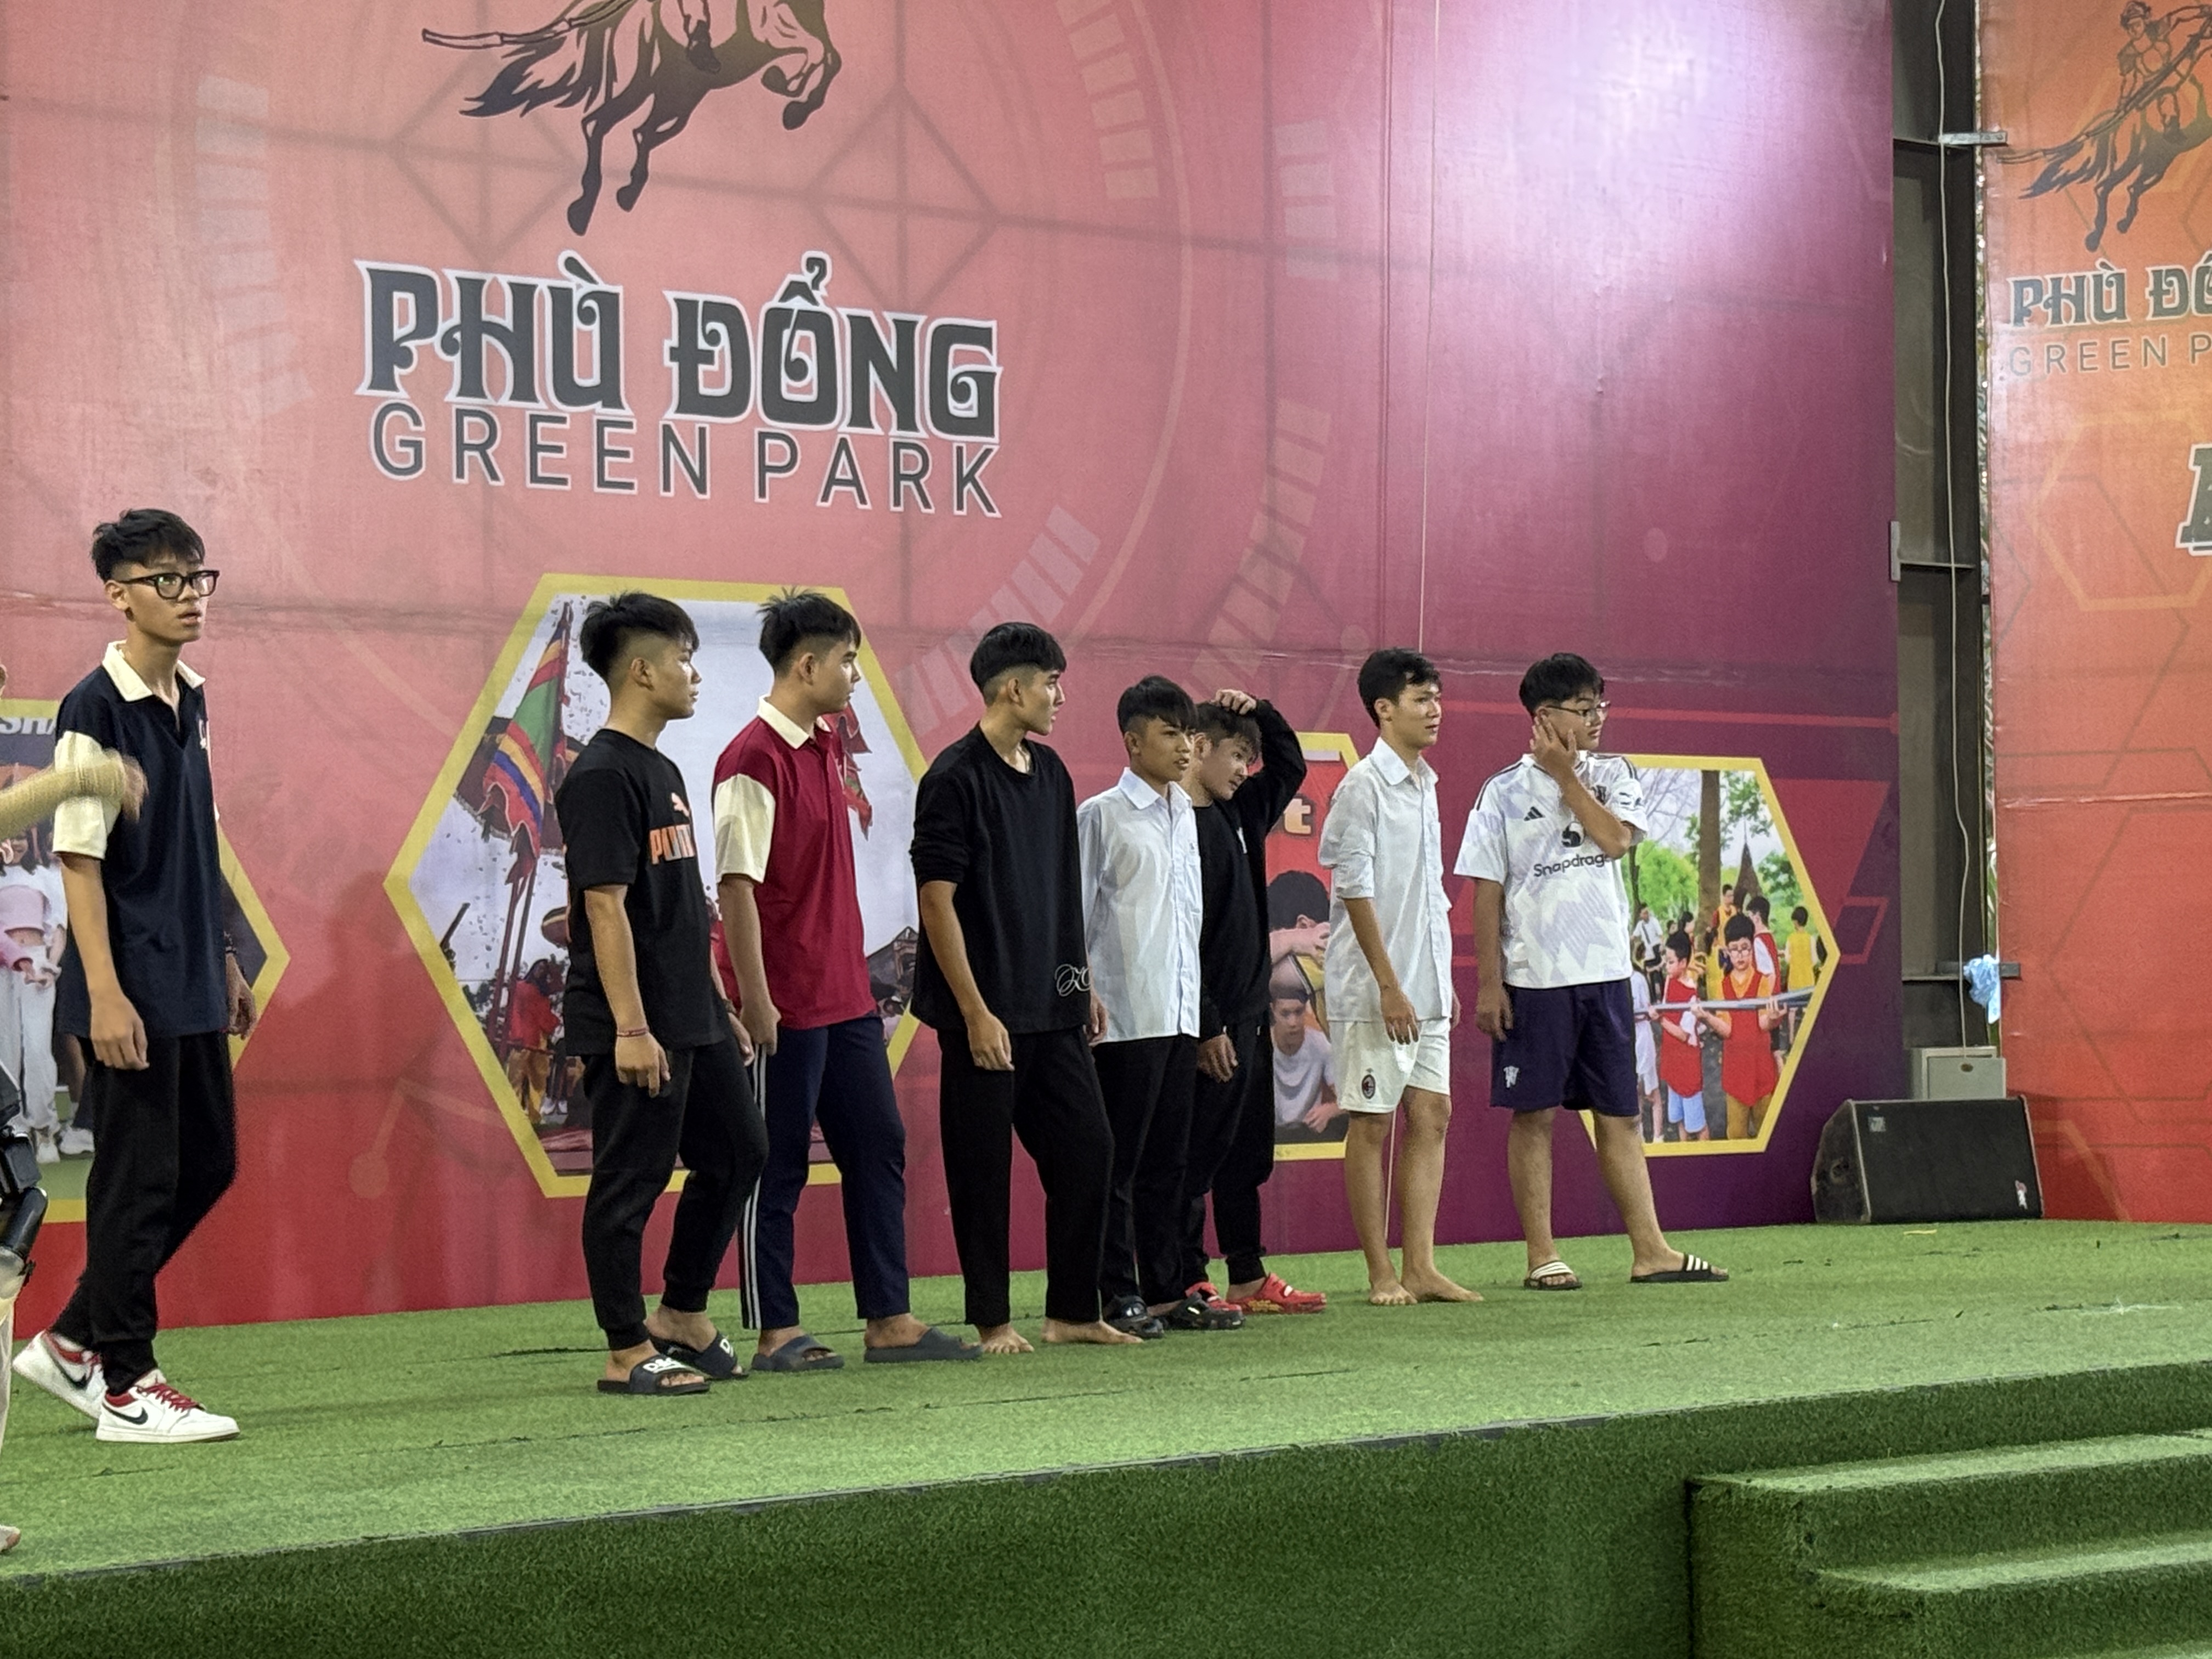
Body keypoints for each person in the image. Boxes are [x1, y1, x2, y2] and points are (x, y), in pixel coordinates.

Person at [10, 511, 257, 1443]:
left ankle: (75, 1339)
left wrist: (225, 951)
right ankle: (126, 1385)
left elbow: (201, 839)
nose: (189, 595)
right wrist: (105, 995)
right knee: (137, 1181)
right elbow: (79, 861)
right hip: (131, 983)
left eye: (197, 576)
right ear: (118, 593)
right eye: (165, 579)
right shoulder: (93, 708)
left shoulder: (193, 697)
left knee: (209, 1163)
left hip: (191, 972)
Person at [712, 590, 975, 1370]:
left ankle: (889, 1318)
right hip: (786, 1003)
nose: (856, 675)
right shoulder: (750, 760)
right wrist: (757, 1000)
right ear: (806, 665)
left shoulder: (826, 746)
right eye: (848, 661)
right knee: (777, 1164)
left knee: (878, 1145)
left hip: (847, 997)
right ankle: (776, 1331)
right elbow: (735, 889)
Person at [555, 592, 768, 1397]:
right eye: (684, 658)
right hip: (636, 1022)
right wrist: (631, 1028)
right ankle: (624, 1350)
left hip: (694, 1016)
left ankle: (680, 1313)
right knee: (630, 1182)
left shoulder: (663, 768)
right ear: (642, 671)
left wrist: (719, 1005)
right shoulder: (601, 776)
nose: (694, 674)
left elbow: (683, 906)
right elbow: (603, 908)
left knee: (740, 1152)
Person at [1462, 653, 1726, 1290]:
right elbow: (1486, 893)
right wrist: (1490, 983)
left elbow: (1615, 840)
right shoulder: (1501, 792)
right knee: (1535, 1117)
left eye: (1600, 706)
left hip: (1606, 976)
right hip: (1533, 980)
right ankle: (1542, 1256)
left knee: (1622, 1115)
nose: (1598, 718)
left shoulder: (1614, 773)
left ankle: (1651, 1250)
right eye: (1583, 710)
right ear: (1543, 716)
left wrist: (1567, 777)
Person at [910, 622, 1137, 1354]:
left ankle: (1072, 1312)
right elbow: (935, 901)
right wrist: (975, 1013)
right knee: (983, 1176)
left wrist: (1081, 983)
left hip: (1054, 1010)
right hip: (985, 1018)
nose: (1060, 697)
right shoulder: (953, 779)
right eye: (1051, 683)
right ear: (1013, 689)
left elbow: (1063, 889)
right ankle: (992, 1321)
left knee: (1090, 1151)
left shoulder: (1053, 773)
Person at [1079, 676, 1238, 1335]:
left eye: (1190, 735)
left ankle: (1169, 1290)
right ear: (1133, 741)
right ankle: (1118, 1292)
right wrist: (1083, 990)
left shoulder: (1187, 818)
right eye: (1170, 734)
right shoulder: (1101, 815)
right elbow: (1075, 914)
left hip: (1177, 1014)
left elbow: (1189, 923)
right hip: (1122, 1016)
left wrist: (1199, 1014)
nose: (1184, 748)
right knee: (1119, 1163)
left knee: (1170, 1162)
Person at [1318, 648, 1476, 1307]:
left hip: (1424, 987)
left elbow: (1428, 892)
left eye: (1437, 697)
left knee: (1433, 1114)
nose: (1435, 710)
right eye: (1421, 699)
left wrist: (1440, 979)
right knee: (1373, 1123)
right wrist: (1388, 985)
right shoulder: (1362, 787)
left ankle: (1421, 1266)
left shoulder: (1426, 782)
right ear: (1384, 709)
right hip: (1373, 991)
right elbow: (1354, 891)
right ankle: (1381, 1272)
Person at [1175, 694, 1325, 1316]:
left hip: (1250, 1017)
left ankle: (1246, 1273)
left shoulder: (1242, 810)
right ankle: (1185, 1276)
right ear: (1200, 747)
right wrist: (1208, 1022)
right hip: (1201, 1022)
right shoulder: (1172, 824)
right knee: (1193, 1154)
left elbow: (1290, 765)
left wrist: (1260, 710)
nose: (1245, 770)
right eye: (1237, 755)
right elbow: (1178, 940)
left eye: (1249, 759)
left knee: (1246, 1151)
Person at [1717, 914, 1783, 1139]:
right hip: (1735, 1073)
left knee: (1767, 1130)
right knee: (1736, 1133)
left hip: (1761, 1069)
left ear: (1752, 947)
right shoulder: (1723, 986)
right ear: (1727, 951)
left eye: (1745, 948)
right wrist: (1705, 1018)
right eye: (1734, 949)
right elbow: (1726, 1030)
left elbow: (1763, 1023)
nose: (1740, 955)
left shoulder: (1762, 981)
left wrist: (1773, 1019)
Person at [1657, 932, 1714, 1142]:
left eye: (1671, 962)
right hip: (1672, 1059)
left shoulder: (1691, 995)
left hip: (1687, 1064)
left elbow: (1683, 1034)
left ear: (1683, 963)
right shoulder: (1669, 981)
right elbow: (1665, 1008)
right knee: (1679, 1117)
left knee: (1697, 1124)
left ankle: (1705, 1157)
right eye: (1666, 961)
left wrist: (1660, 1020)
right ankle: (1684, 1150)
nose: (1667, 966)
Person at [1268, 973, 1339, 1140]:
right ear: (1273, 1011)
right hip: (1269, 1133)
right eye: (1285, 1014)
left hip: (1309, 1133)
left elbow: (1350, 1098)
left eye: (1299, 1012)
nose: (1293, 1023)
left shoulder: (1321, 1045)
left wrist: (1332, 1110)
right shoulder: (1262, 1047)